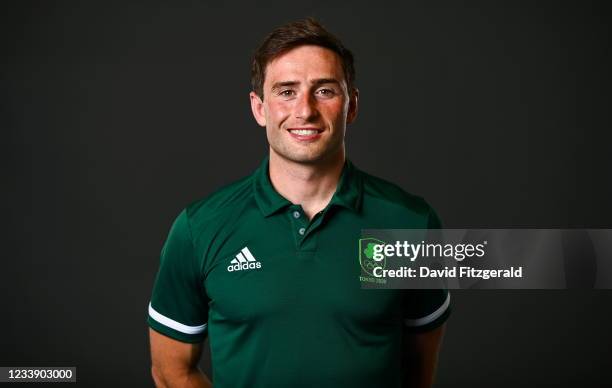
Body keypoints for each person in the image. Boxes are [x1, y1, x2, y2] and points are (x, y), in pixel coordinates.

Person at [147, 18, 450, 388]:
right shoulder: (198, 228)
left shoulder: (412, 223)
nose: (304, 110)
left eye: (324, 91)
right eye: (286, 91)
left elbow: (420, 369)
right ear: (259, 109)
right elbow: (169, 371)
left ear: (351, 105)